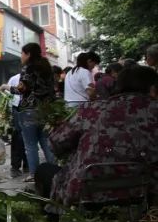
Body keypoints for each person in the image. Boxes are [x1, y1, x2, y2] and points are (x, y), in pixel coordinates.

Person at [35, 65, 158, 206]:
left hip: (87, 196)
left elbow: (56, 144)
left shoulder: (91, 110)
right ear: (153, 89)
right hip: (146, 195)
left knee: (44, 170)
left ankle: (54, 219)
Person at [10, 42, 57, 180]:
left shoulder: (28, 69)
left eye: (22, 53)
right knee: (45, 141)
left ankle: (34, 174)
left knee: (30, 145)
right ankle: (56, 170)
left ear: (28, 54)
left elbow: (22, 88)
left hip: (29, 110)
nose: (21, 56)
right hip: (46, 109)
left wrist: (8, 87)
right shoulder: (47, 68)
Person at [6, 70, 28, 177]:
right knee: (23, 137)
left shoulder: (14, 78)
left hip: (20, 108)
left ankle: (17, 164)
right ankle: (24, 164)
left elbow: (10, 93)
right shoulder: (16, 78)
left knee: (19, 137)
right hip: (22, 108)